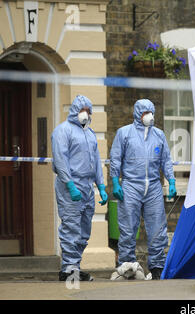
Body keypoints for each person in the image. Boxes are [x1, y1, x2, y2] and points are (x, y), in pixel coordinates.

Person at [110, 99, 176, 280]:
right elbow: (116, 159)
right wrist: (116, 182)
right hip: (131, 184)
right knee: (128, 227)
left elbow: (166, 160)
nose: (149, 116)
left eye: (151, 112)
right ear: (138, 113)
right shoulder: (124, 133)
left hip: (153, 185)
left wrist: (171, 181)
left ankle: (156, 268)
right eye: (145, 112)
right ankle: (127, 265)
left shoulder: (159, 135)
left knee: (157, 228)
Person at [51, 95, 108, 281]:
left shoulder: (90, 134)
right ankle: (68, 268)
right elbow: (61, 160)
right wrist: (70, 185)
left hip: (88, 187)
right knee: (71, 227)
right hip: (71, 186)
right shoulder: (63, 131)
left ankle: (74, 265)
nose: (86, 113)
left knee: (84, 230)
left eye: (88, 110)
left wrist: (101, 185)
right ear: (75, 110)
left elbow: (96, 162)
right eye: (82, 109)